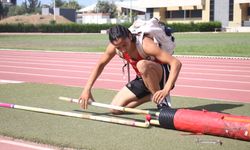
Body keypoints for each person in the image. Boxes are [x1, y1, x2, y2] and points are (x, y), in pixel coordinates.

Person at [79, 24, 182, 114]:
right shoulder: (114, 47)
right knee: (115, 109)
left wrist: (166, 89)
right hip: (142, 78)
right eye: (118, 47)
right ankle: (151, 96)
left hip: (162, 76)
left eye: (124, 45)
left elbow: (176, 63)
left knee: (141, 65)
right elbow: (100, 64)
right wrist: (87, 89)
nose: (123, 50)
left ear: (129, 36)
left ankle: (162, 103)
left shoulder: (145, 44)